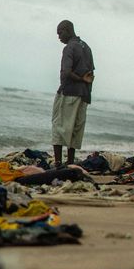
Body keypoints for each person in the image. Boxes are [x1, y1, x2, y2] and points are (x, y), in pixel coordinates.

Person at [52, 20, 95, 167]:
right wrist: (87, 91)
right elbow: (91, 74)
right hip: (83, 95)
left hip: (69, 91)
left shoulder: (69, 48)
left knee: (59, 126)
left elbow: (66, 71)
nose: (59, 37)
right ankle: (70, 162)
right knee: (75, 129)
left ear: (67, 30)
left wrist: (78, 79)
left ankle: (58, 163)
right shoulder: (86, 47)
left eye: (60, 33)